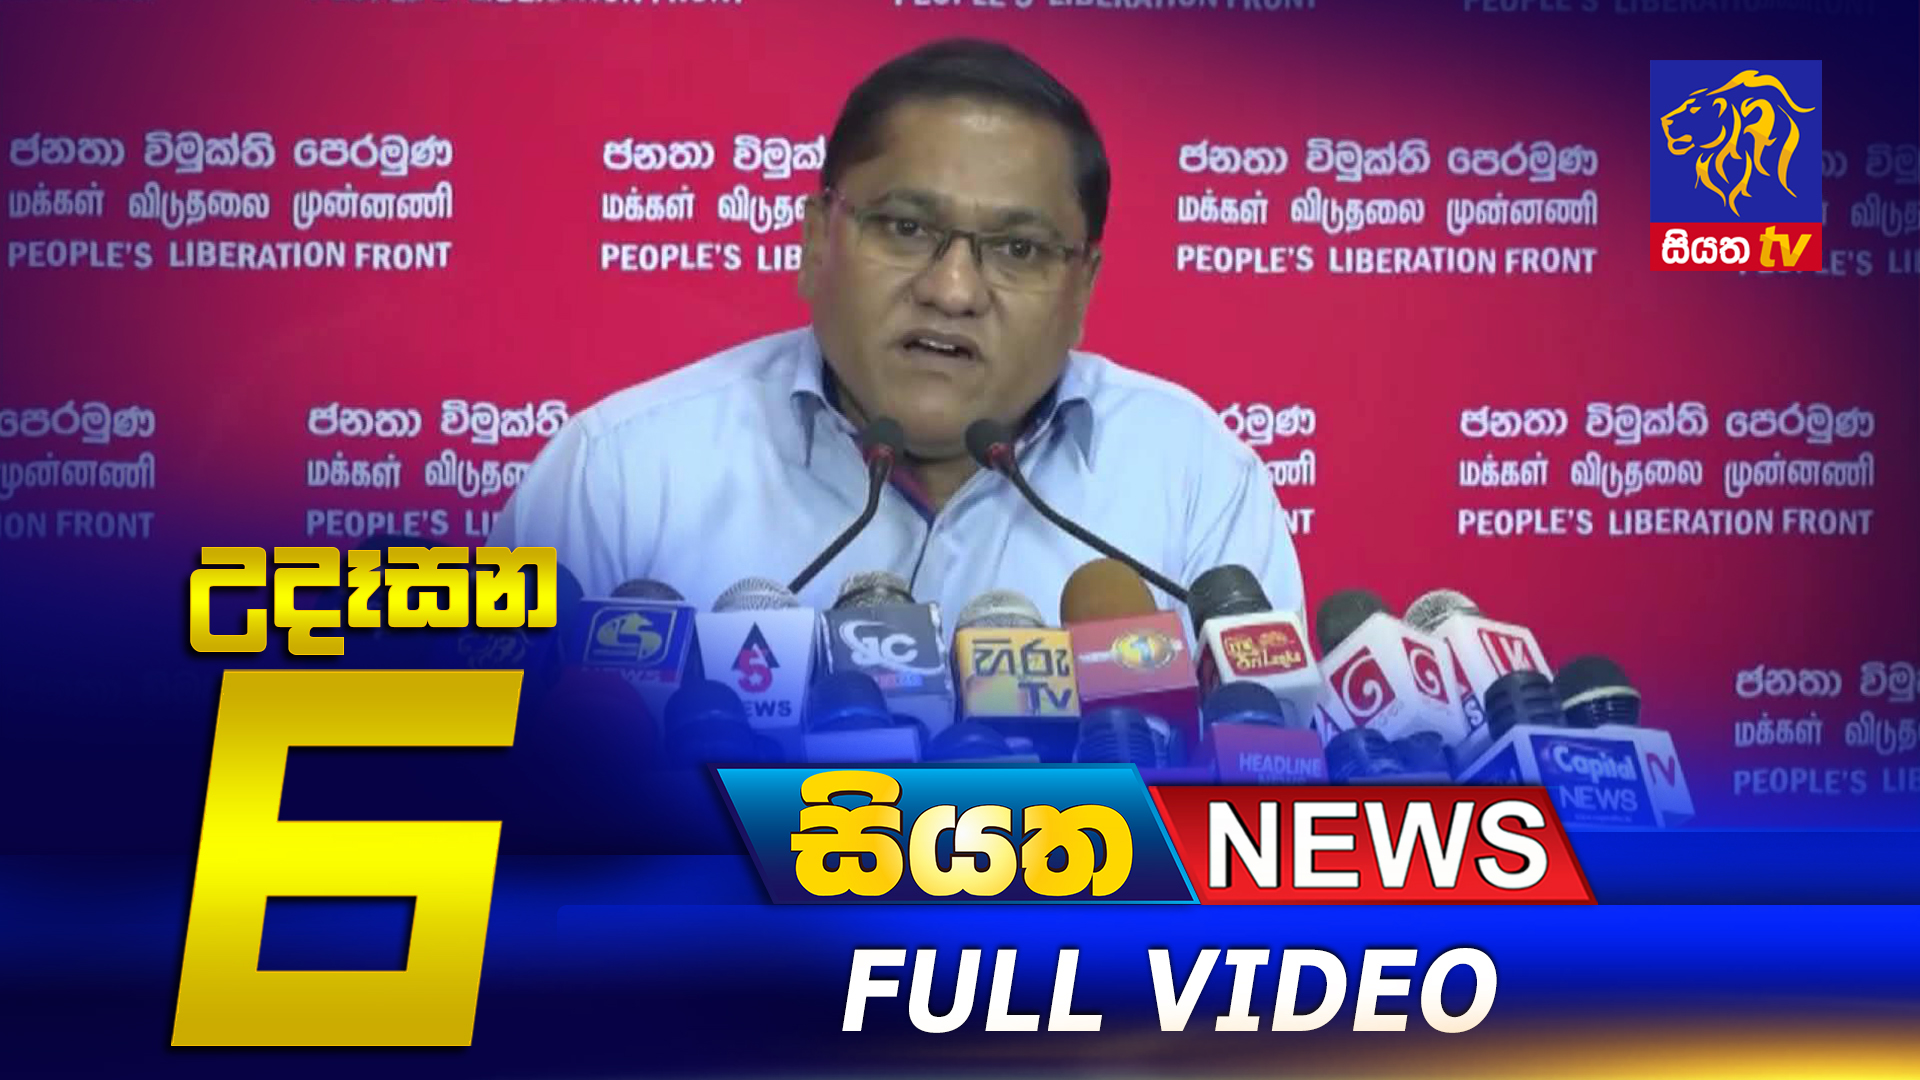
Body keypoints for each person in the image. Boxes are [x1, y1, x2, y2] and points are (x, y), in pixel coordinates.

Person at [491, 37, 1303, 627]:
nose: (952, 291)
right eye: (907, 228)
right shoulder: (619, 477)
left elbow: (1264, 779)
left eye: (1018, 249)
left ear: (1081, 287)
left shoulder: (1192, 478)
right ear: (816, 240)